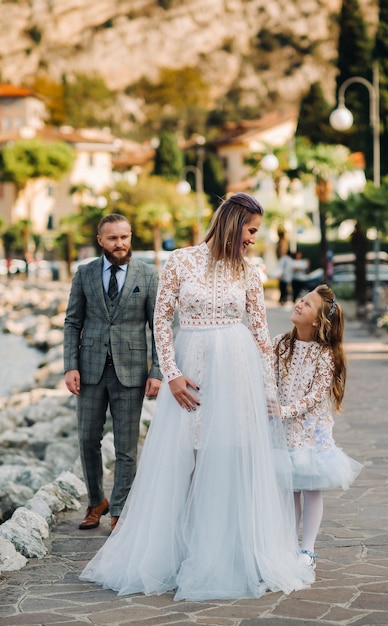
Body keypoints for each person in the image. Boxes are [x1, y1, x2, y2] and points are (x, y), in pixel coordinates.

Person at [80, 192, 314, 600]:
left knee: (226, 454)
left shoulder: (250, 271)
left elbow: (260, 333)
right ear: (233, 222)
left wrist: (268, 389)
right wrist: (171, 375)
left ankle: (224, 550)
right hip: (189, 372)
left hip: (236, 371)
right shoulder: (181, 261)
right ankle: (178, 551)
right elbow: (161, 321)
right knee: (183, 457)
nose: (254, 239)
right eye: (252, 230)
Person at [64, 213, 162, 533]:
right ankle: (96, 502)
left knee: (126, 445)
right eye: (112, 238)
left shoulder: (148, 276)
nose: (120, 244)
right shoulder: (85, 274)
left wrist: (157, 371)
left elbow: (158, 328)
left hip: (131, 372)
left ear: (130, 237)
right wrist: (70, 366)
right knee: (88, 439)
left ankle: (120, 507)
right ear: (100, 241)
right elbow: (73, 323)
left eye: (124, 237)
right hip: (90, 371)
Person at [272, 284, 362, 570]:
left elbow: (315, 396)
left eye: (307, 304)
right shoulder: (280, 344)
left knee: (310, 487)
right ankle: (286, 544)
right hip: (282, 430)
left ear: (317, 321)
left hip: (310, 430)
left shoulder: (326, 355)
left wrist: (285, 411)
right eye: (302, 299)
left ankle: (307, 549)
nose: (299, 304)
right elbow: (269, 378)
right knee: (289, 489)